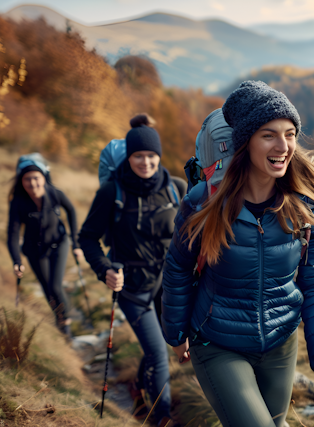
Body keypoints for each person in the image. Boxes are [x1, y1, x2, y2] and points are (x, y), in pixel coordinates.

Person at [161, 81, 314, 427]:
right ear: (245, 143)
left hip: (279, 345)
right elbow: (178, 268)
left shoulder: (305, 210)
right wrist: (176, 333)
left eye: (290, 134)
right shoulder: (204, 202)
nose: (284, 146)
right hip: (217, 342)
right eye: (269, 135)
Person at [79, 114, 186, 427]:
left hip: (168, 283)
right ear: (129, 156)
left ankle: (141, 391)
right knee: (158, 353)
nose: (146, 162)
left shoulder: (175, 189)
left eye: (151, 156)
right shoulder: (111, 192)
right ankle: (161, 416)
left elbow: (189, 235)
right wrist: (105, 270)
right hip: (132, 287)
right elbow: (86, 238)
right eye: (138, 156)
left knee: (162, 346)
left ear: (159, 156)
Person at [7, 153, 84, 337]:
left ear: (44, 177)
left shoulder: (54, 193)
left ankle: (66, 321)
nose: (32, 183)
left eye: (36, 178)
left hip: (59, 243)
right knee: (47, 289)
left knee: (56, 286)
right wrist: (17, 260)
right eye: (27, 179)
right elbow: (13, 233)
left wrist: (76, 242)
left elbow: (71, 211)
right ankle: (59, 319)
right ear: (21, 181)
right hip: (34, 250)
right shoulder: (18, 202)